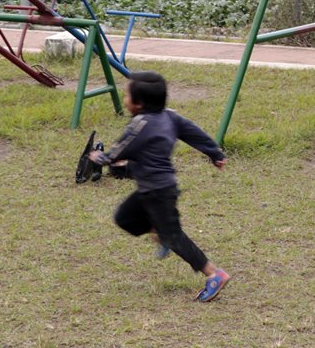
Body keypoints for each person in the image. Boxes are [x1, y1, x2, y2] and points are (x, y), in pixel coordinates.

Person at [87, 70, 231, 303]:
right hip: (153, 189)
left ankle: (215, 274)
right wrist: (214, 152)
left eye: (126, 96)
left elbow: (122, 148)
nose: (124, 100)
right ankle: (159, 232)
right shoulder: (170, 116)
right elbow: (195, 132)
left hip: (158, 192)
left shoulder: (140, 124)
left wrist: (101, 158)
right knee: (124, 218)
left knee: (175, 236)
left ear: (139, 103)